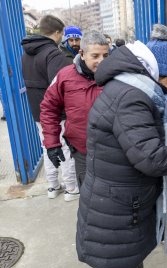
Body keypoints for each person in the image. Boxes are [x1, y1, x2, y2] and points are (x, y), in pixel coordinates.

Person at [76, 24, 167, 268]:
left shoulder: (129, 87)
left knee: (129, 266)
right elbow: (153, 159)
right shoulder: (131, 97)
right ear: (153, 73)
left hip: (120, 200)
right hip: (119, 208)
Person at [40, 31, 109, 201]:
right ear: (82, 54)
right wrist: (52, 143)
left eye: (105, 55)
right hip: (83, 153)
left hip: (113, 152)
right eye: (95, 55)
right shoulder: (64, 76)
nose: (102, 61)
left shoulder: (116, 75)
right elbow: (49, 108)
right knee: (89, 199)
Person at [21, 15, 76, 199]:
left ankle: (52, 186)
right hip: (55, 111)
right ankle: (71, 187)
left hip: (37, 109)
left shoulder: (26, 53)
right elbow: (60, 85)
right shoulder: (53, 53)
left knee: (47, 146)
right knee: (65, 147)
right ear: (58, 32)